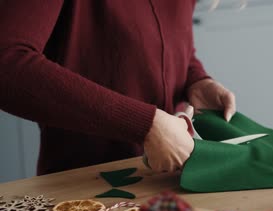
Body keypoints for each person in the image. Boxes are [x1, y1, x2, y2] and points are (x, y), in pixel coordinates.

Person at [0, 1, 236, 175]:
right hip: (84, 188)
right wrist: (145, 125)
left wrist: (196, 80)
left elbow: (165, 37)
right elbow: (7, 62)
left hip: (167, 179)